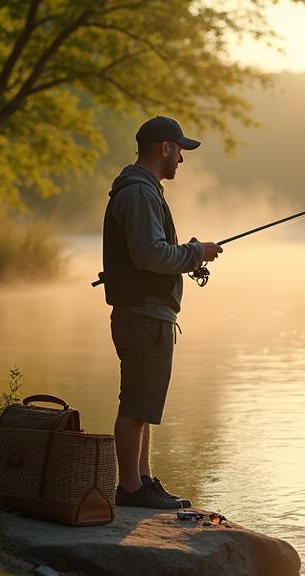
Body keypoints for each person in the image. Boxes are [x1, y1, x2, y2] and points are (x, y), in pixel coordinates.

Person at [100, 115, 223, 509]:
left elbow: (149, 251)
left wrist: (190, 254)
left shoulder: (143, 190)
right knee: (136, 402)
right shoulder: (139, 193)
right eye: (180, 151)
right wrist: (194, 253)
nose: (182, 160)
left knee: (145, 403)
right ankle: (131, 488)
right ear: (165, 148)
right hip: (143, 314)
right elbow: (149, 254)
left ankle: (143, 481)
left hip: (149, 314)